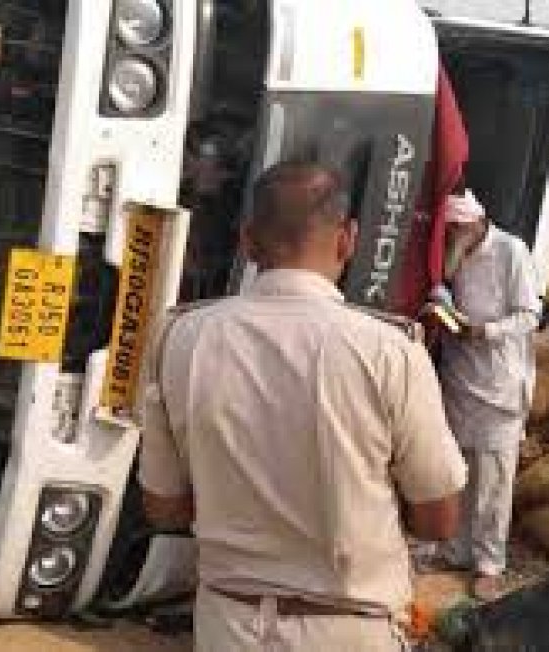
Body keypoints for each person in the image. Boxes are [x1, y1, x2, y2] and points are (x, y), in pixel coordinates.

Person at [138, 161, 468, 652]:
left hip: (228, 626)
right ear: (348, 239)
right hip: (349, 630)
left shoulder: (180, 338)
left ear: (248, 241)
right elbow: (438, 520)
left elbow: (164, 508)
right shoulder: (389, 351)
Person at [437, 188, 541, 601]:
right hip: (461, 373)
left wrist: (487, 331)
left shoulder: (510, 251)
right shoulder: (454, 254)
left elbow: (530, 315)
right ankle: (455, 549)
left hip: (499, 380)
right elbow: (446, 287)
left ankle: (489, 564)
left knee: (493, 480)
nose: (454, 238)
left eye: (458, 231)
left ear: (476, 224)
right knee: (458, 470)